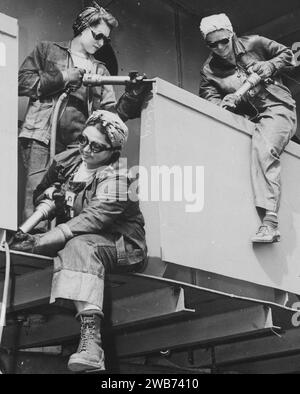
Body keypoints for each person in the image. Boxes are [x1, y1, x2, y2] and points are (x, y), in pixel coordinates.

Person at [11, 110, 147, 372]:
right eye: (84, 140)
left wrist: (39, 242)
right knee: (76, 245)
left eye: (97, 147)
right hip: (81, 241)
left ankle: (92, 346)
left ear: (113, 151)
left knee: (78, 245)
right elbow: (41, 192)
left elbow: (94, 219)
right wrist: (50, 197)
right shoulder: (69, 160)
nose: (86, 149)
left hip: (122, 244)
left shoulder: (121, 177)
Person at [18, 1, 150, 224]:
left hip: (76, 145)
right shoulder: (47, 50)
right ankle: (29, 252)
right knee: (37, 198)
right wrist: (63, 77)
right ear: (82, 26)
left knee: (68, 203)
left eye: (105, 40)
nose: (101, 43)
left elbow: (110, 116)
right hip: (41, 136)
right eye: (97, 35)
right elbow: (21, 82)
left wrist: (132, 96)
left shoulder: (101, 70)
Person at [199, 13, 297, 243]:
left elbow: (288, 54)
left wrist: (270, 65)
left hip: (277, 108)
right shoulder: (208, 70)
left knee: (264, 149)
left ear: (231, 33)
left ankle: (270, 221)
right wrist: (225, 103)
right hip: (247, 120)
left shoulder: (254, 42)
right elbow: (209, 99)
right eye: (213, 44)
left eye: (224, 41)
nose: (220, 48)